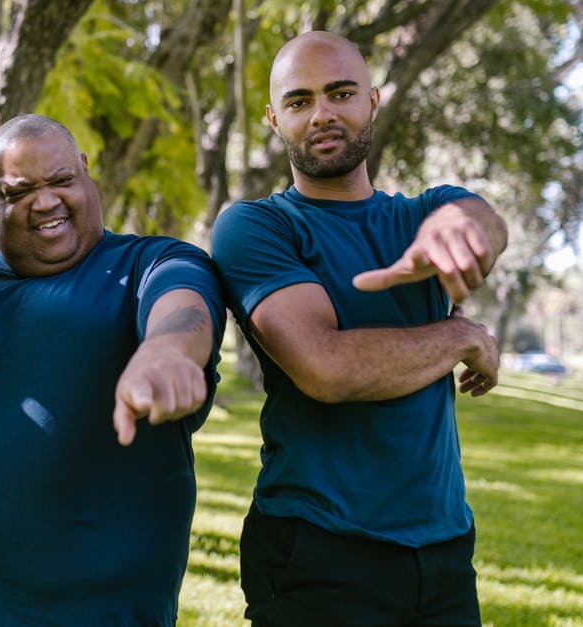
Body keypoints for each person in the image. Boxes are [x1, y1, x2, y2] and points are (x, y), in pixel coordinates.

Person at [0, 114, 226, 626]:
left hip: (98, 612)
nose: (45, 201)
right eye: (19, 190)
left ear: (85, 169)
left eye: (61, 181)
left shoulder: (148, 262)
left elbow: (183, 302)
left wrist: (169, 352)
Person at [210, 31, 507, 626]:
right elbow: (328, 368)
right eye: (299, 101)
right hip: (318, 550)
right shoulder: (255, 227)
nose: (322, 113)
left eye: (341, 93)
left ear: (373, 101)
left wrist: (465, 230)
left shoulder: (425, 212)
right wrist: (462, 336)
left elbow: (481, 218)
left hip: (444, 547)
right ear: (273, 119)